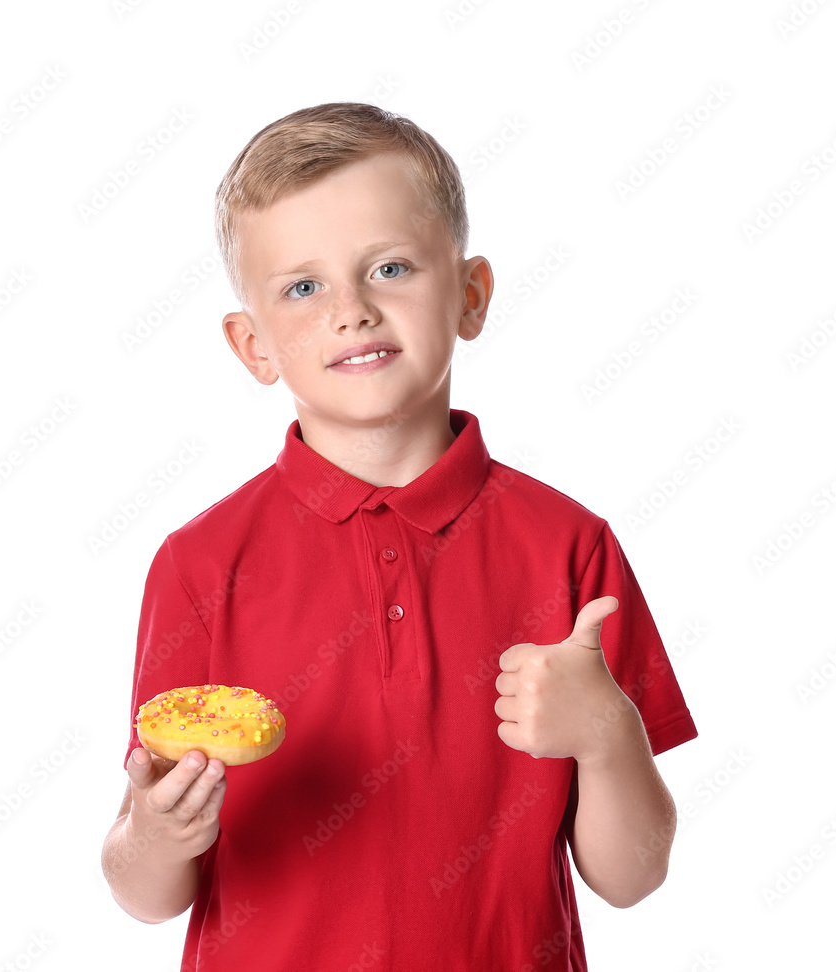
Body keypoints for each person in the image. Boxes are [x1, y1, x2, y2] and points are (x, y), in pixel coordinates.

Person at [101, 102, 697, 972]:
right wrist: (156, 836)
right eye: (302, 287)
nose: (352, 310)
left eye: (389, 267)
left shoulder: (570, 546)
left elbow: (632, 877)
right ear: (253, 345)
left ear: (470, 294)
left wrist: (607, 734)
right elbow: (145, 892)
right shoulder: (200, 564)